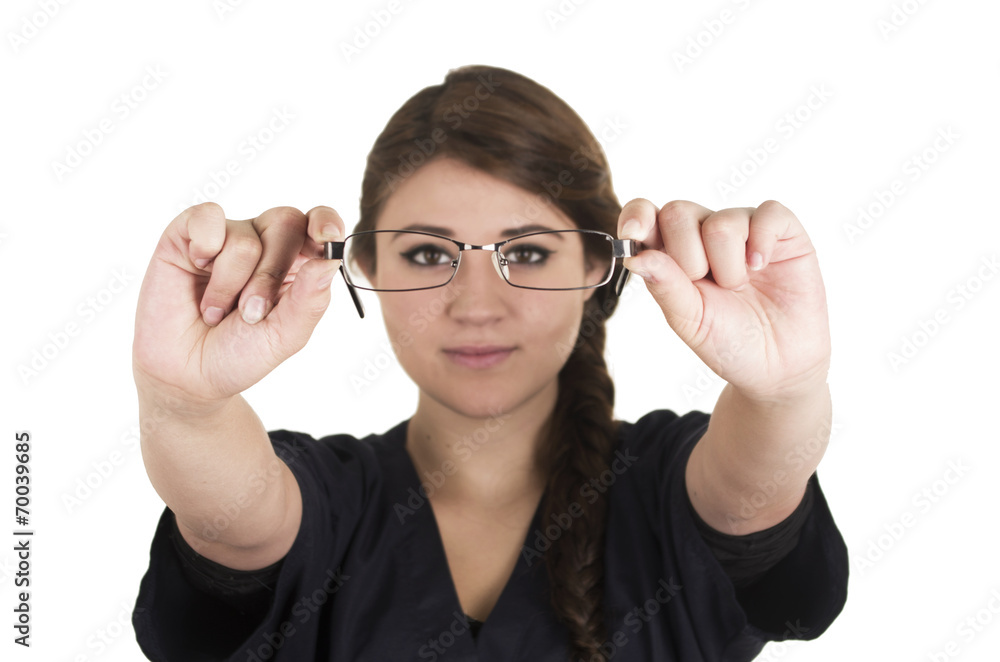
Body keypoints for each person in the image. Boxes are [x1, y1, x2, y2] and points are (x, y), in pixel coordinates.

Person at [131, 64, 848, 661]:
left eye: (527, 252)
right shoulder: (326, 499)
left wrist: (784, 392)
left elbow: (756, 483)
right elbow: (234, 518)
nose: (477, 304)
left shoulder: (664, 486)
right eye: (427, 254)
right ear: (368, 267)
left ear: (597, 265)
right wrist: (184, 404)